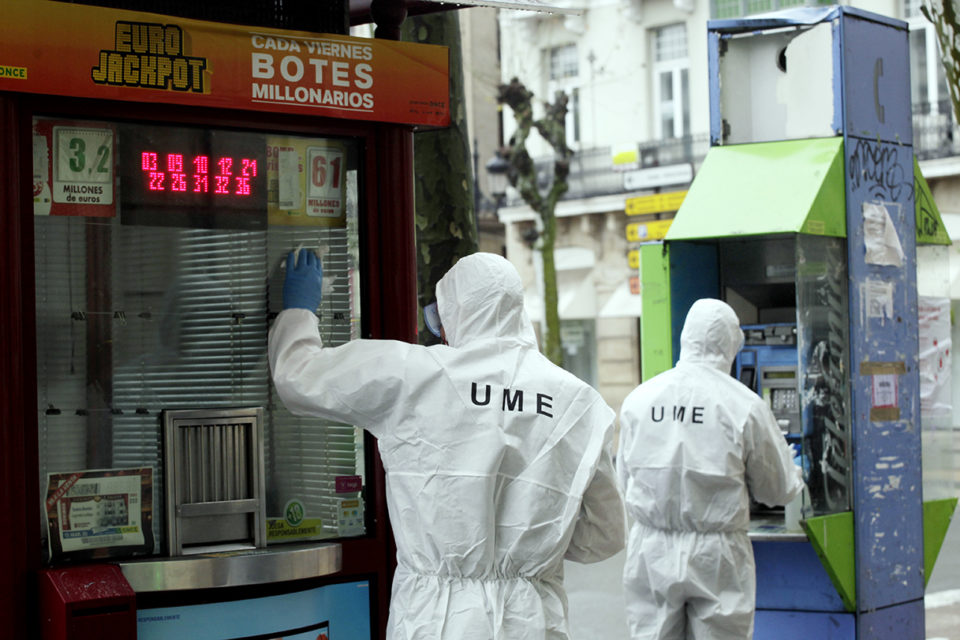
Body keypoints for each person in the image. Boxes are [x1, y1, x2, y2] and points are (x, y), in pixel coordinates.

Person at [269, 249, 625, 640]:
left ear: (456, 311)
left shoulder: (413, 374)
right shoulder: (581, 404)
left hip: (436, 619)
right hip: (533, 620)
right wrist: (532, 547)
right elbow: (605, 535)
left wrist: (299, 313)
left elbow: (298, 377)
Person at [617, 298, 804, 640]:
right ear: (731, 344)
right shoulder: (744, 404)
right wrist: (796, 471)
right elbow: (776, 491)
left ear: (686, 338)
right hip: (716, 556)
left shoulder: (640, 400)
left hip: (651, 549)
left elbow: (624, 479)